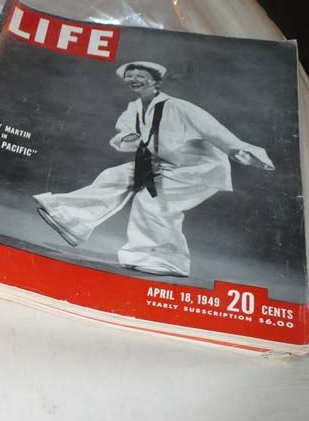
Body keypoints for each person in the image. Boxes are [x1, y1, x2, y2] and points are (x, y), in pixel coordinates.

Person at [34, 61, 274, 277]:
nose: (133, 79)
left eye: (140, 75)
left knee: (152, 200)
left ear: (155, 81)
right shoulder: (134, 108)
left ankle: (166, 260)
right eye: (130, 76)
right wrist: (130, 137)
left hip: (198, 168)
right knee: (114, 176)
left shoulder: (179, 107)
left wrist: (236, 149)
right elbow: (126, 133)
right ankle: (69, 218)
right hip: (161, 162)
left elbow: (212, 130)